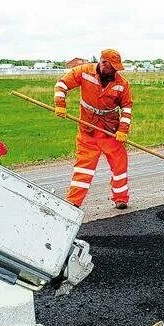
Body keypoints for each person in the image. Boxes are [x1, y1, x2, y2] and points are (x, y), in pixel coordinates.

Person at [54, 49, 134, 209]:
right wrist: (60, 104)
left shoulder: (121, 84)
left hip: (110, 131)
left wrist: (123, 130)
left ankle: (121, 198)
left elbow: (126, 107)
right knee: (84, 167)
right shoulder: (83, 72)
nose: (116, 72)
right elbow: (61, 84)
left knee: (119, 165)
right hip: (88, 130)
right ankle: (73, 202)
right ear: (103, 63)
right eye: (113, 68)